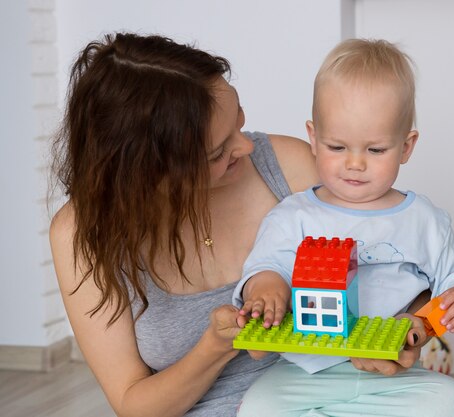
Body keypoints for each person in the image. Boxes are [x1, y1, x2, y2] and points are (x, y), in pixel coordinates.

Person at [48, 32, 321, 417]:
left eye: (239, 122)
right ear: (149, 173)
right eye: (217, 152)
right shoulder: (83, 236)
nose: (244, 147)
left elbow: (393, 255)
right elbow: (132, 404)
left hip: (334, 396)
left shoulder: (288, 168)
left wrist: (408, 327)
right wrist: (214, 347)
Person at [233, 39, 454, 416]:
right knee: (259, 407)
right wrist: (266, 289)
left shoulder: (423, 218)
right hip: (304, 373)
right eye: (337, 147)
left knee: (451, 401)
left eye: (375, 150)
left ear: (406, 147)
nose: (355, 164)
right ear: (313, 137)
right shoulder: (293, 216)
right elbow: (265, 266)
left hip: (395, 374)